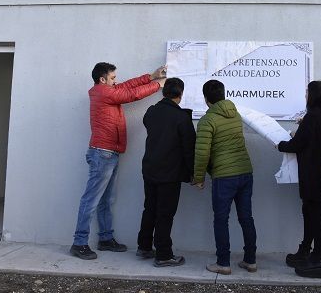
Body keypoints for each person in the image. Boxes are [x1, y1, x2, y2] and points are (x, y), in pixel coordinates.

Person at [70, 62, 166, 260]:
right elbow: (131, 95)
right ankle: (79, 243)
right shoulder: (102, 93)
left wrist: (151, 76)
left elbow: (128, 86)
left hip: (110, 153)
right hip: (102, 153)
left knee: (106, 200)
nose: (116, 81)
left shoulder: (107, 90)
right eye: (113, 78)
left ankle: (105, 239)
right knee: (91, 200)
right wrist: (158, 85)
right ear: (102, 79)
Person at [193, 80, 257, 276]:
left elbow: (202, 153)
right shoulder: (235, 114)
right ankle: (250, 261)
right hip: (245, 172)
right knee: (246, 217)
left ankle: (223, 263)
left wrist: (199, 177)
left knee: (221, 219)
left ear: (206, 99)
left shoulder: (207, 120)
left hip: (224, 176)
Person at [137, 77, 195, 267]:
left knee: (150, 208)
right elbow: (189, 148)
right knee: (165, 213)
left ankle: (144, 246)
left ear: (164, 93)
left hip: (150, 168)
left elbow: (150, 125)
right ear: (180, 94)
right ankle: (163, 254)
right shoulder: (181, 118)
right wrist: (192, 172)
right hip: (170, 173)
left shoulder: (151, 112)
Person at [277, 81, 321, 278]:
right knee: (313, 212)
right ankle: (307, 250)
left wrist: (280, 144)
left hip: (311, 173)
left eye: (308, 92)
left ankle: (316, 258)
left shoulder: (312, 117)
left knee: (313, 214)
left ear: (314, 95)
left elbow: (297, 144)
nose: (305, 95)